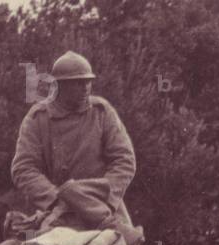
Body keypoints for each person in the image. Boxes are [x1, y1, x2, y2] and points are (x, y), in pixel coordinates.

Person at [11, 51, 137, 234]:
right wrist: (55, 199)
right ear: (59, 86)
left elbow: (124, 160)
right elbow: (23, 168)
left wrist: (102, 197)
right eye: (78, 82)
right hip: (56, 211)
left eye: (88, 81)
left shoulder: (102, 112)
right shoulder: (38, 118)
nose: (86, 87)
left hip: (104, 209)